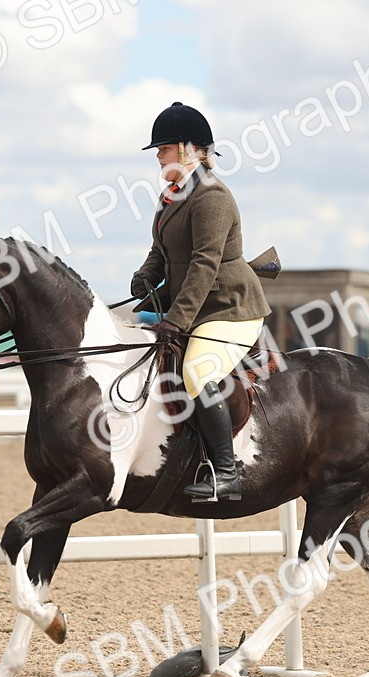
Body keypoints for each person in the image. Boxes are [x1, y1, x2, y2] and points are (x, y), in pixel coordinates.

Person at [129, 101, 271, 502]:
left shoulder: (212, 197)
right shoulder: (172, 196)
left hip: (228, 309)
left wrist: (175, 318)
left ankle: (226, 474)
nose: (158, 156)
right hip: (194, 307)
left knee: (196, 373)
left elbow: (204, 264)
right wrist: (145, 275)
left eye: (164, 149)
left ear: (190, 150)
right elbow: (160, 251)